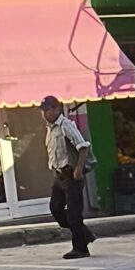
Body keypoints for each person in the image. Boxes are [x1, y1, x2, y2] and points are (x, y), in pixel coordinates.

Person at [41, 96, 94, 259]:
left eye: (48, 109)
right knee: (55, 208)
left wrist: (78, 169)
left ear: (57, 108)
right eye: (43, 110)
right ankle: (84, 233)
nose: (45, 114)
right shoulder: (50, 128)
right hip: (59, 175)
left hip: (71, 174)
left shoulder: (66, 126)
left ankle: (80, 248)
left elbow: (83, 147)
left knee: (74, 213)